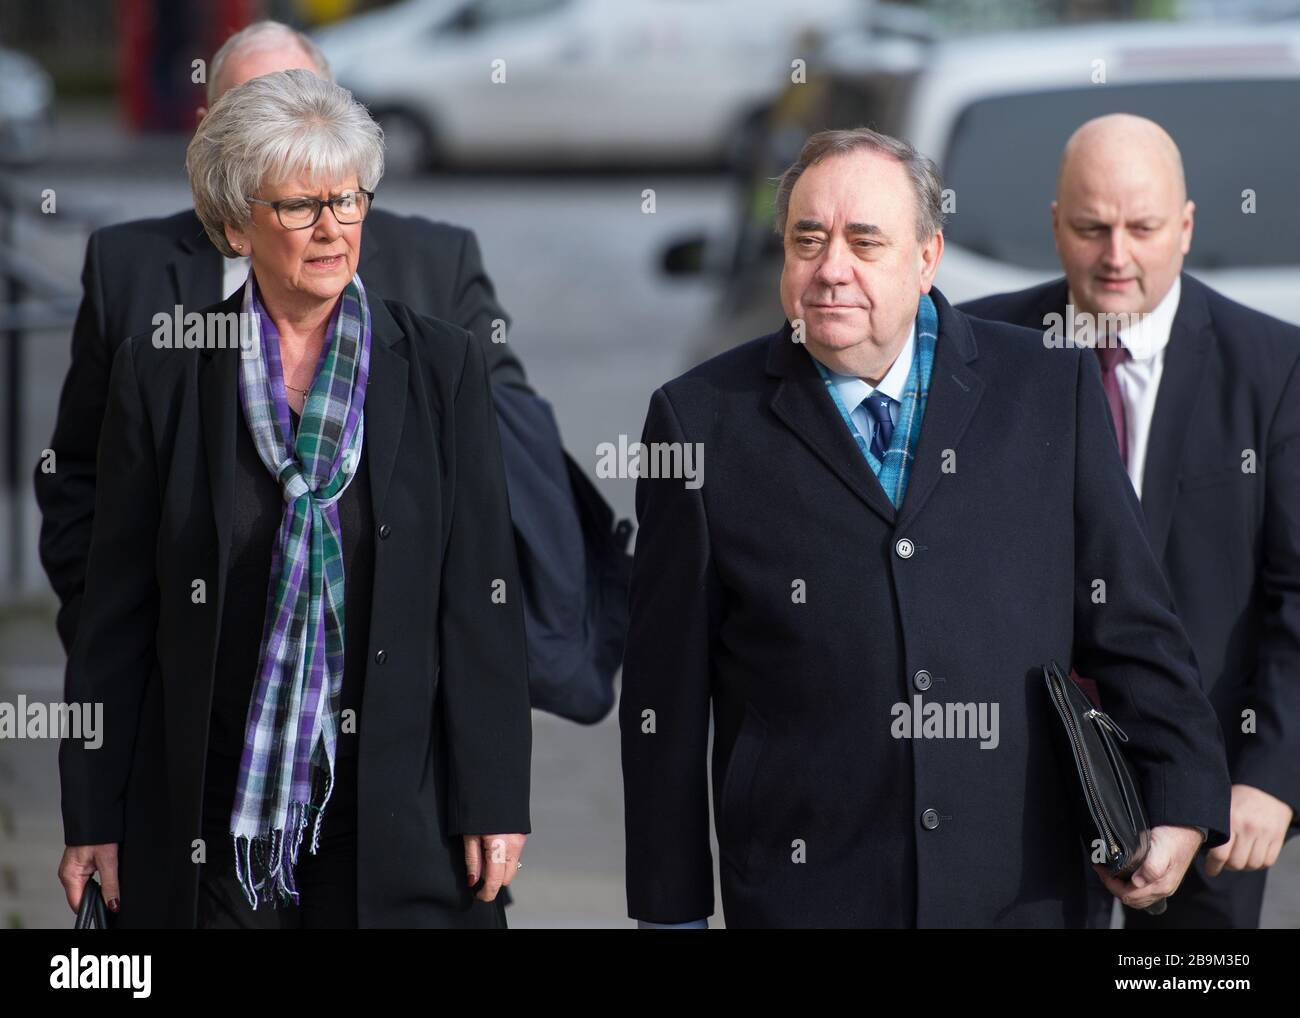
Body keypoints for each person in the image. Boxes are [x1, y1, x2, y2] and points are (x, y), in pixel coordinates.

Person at [620, 127, 1232, 928]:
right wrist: (671, 912)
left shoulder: (1048, 389)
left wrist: (1183, 798)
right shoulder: (699, 421)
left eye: (864, 241)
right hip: (808, 893)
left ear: (926, 257)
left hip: (1024, 890)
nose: (831, 267)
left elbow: (1134, 623)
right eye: (809, 239)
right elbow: (664, 694)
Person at [35, 19, 629, 726]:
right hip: (191, 698)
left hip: (386, 702)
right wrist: (114, 630)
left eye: (305, 109)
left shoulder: (433, 264)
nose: (290, 138)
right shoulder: (127, 266)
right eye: (257, 116)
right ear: (211, 145)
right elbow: (78, 475)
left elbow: (504, 454)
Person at [57, 69, 531, 928]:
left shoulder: (440, 365)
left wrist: (494, 795)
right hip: (212, 812)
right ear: (236, 222)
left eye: (348, 201)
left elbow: (481, 604)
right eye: (300, 206)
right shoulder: (163, 374)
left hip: (399, 810)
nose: (332, 229)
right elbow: (115, 617)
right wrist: (92, 812)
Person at [960, 113, 1300, 929]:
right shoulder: (980, 349)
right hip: (1025, 794)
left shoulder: (1275, 368)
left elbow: (1297, 593)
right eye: (1091, 228)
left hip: (1215, 793)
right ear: (1054, 225)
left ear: (1184, 228)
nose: (1117, 256)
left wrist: (1272, 775)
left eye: (1143, 228)